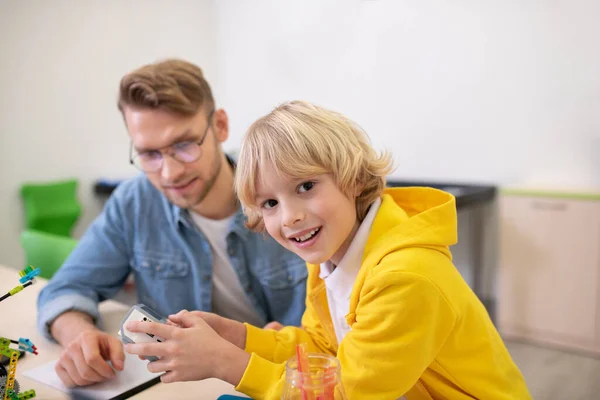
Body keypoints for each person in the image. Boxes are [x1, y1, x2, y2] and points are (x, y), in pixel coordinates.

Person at [124, 100, 532, 399]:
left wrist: (226, 363)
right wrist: (238, 338)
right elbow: (321, 351)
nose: (290, 218)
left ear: (353, 178)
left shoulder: (403, 278)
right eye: (270, 203)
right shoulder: (331, 256)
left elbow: (345, 395)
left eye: (305, 187)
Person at [36, 60, 307, 388]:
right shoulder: (134, 202)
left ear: (220, 126)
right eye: (149, 154)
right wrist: (80, 337)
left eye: (184, 145)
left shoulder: (291, 197)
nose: (170, 173)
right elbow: (66, 288)